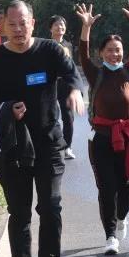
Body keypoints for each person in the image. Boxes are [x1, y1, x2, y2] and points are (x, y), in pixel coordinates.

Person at [0, 0, 84, 257]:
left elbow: (72, 74)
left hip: (48, 143)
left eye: (23, 23)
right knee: (19, 213)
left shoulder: (50, 50)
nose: (18, 29)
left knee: (50, 208)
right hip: (13, 147)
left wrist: (75, 91)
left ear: (33, 23)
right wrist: (8, 108)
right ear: (2, 26)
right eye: (12, 24)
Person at [76, 1, 129, 256]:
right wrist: (86, 27)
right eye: (109, 50)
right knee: (106, 189)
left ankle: (121, 217)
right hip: (101, 141)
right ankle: (110, 236)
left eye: (118, 50)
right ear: (101, 53)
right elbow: (82, 55)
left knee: (127, 188)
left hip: (127, 140)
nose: (114, 54)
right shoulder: (96, 74)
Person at [49, 15, 83, 160]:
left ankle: (67, 147)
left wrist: (76, 86)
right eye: (56, 24)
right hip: (50, 85)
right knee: (50, 117)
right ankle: (52, 145)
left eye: (62, 24)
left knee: (68, 118)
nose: (60, 27)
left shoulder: (68, 45)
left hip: (65, 85)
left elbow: (71, 67)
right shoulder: (45, 45)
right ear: (50, 28)